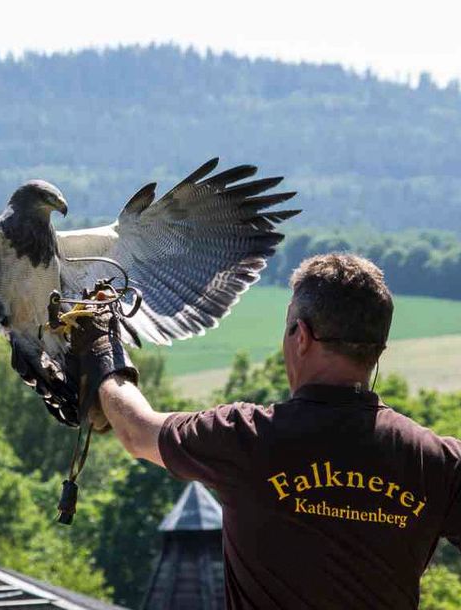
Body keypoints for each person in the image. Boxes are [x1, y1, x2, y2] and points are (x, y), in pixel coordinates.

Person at [70, 253, 461, 609]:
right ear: (377, 350)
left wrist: (103, 352)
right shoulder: (438, 462)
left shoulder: (247, 438)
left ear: (301, 336)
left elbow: (138, 432)